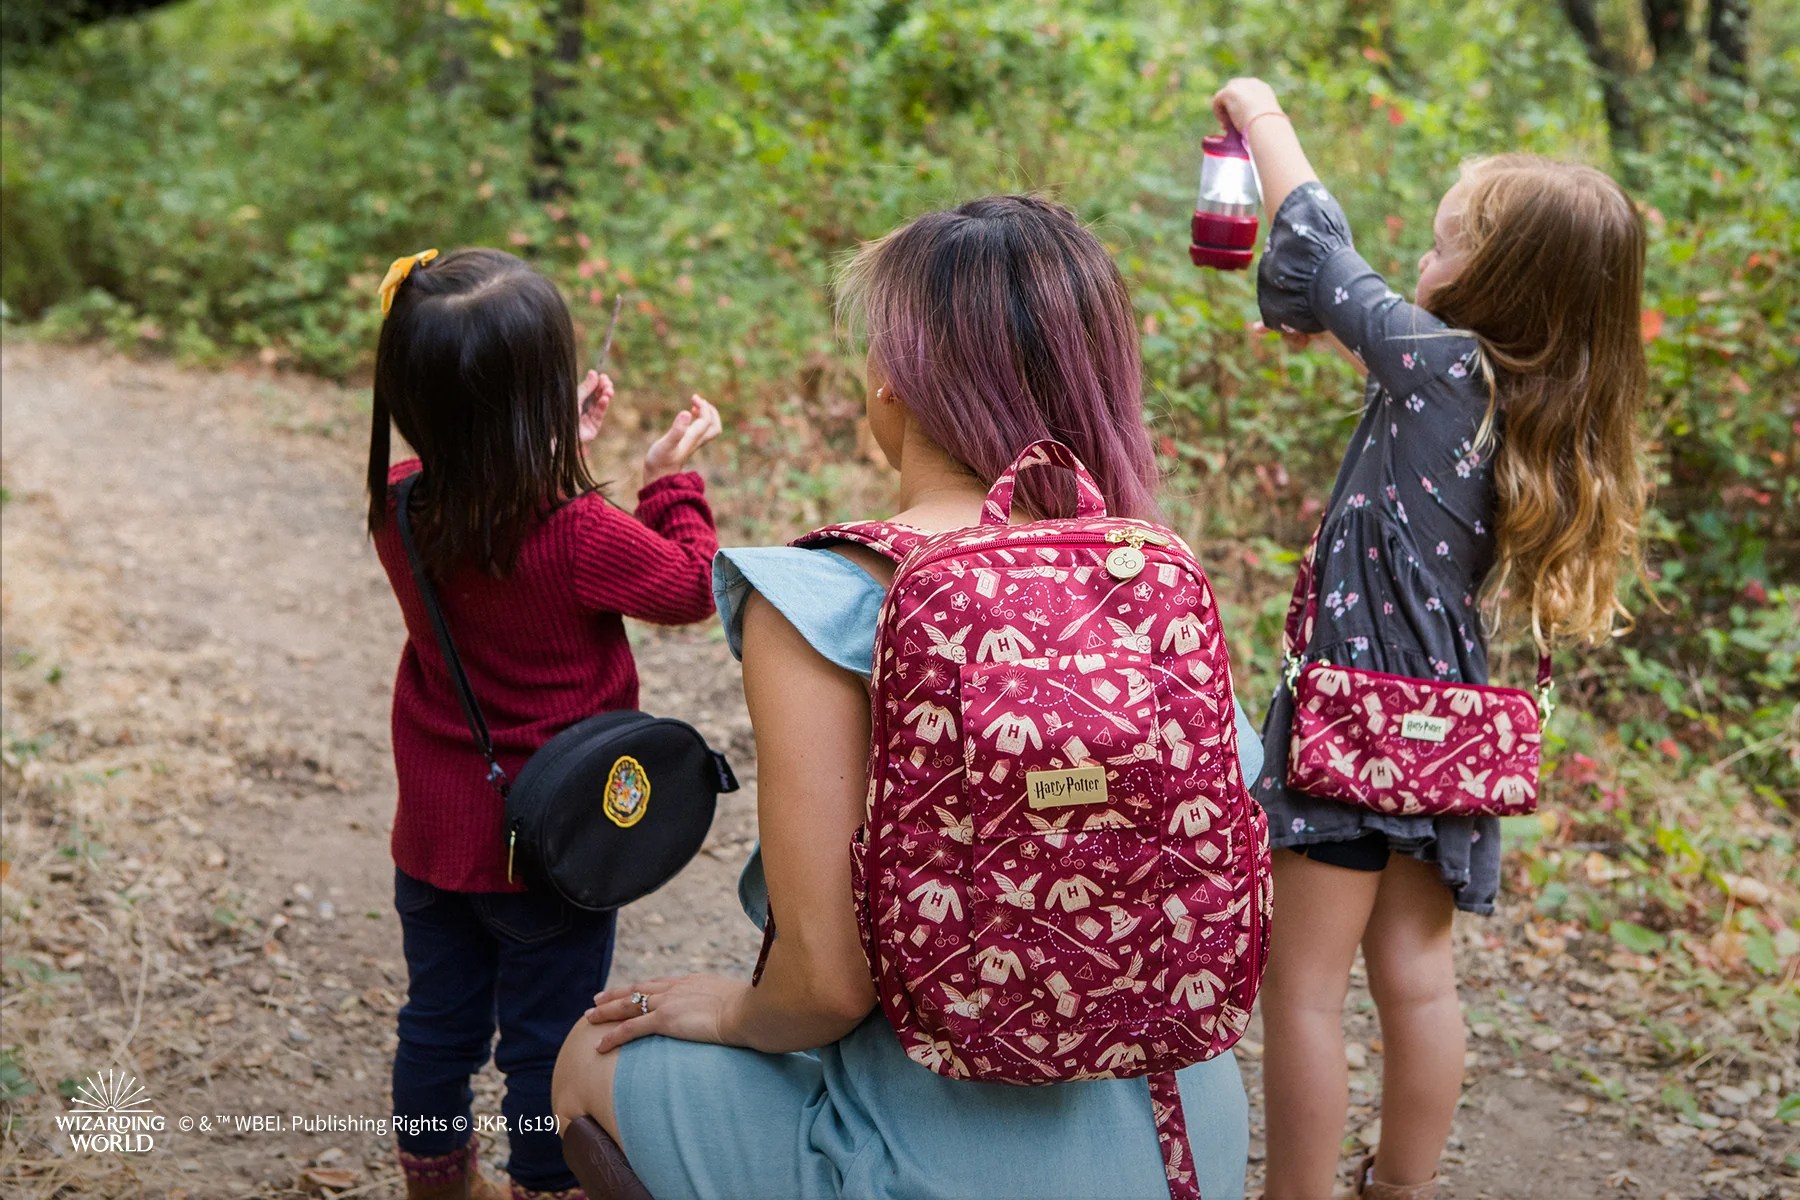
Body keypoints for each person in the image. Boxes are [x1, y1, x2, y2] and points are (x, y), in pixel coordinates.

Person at [551, 195, 1262, 1200]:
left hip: (942, 1158)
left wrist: (734, 1013)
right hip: (1181, 1143)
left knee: (590, 1055)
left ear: (892, 381)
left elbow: (827, 987)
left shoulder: (819, 595)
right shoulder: (1149, 578)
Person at [1210, 78, 1649, 1200]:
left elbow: (1312, 236)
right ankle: (1400, 1186)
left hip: (1352, 722)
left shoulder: (1436, 366)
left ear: (1496, 281)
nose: (1423, 257)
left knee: (1303, 988)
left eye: (1446, 245)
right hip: (1448, 727)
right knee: (1417, 973)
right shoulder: (1539, 402)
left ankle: (1295, 1193)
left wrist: (1260, 115)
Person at [367, 247, 724, 1200]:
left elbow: (489, 514)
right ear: (533, 402)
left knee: (436, 1024)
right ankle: (542, 1185)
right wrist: (668, 482)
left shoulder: (396, 502)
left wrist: (548, 443)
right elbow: (692, 586)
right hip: (553, 840)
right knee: (546, 1036)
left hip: (437, 835)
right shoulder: (574, 532)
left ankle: (438, 1185)